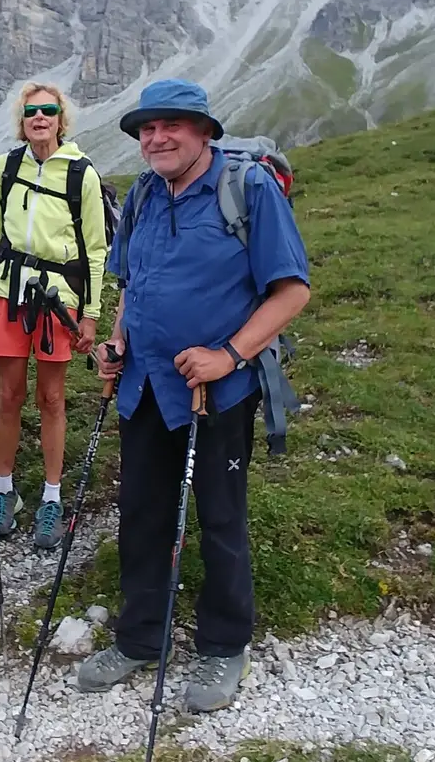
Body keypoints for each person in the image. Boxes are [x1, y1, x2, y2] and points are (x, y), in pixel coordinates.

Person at [76, 79, 311, 714]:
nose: (156, 138)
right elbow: (132, 283)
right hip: (146, 385)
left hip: (220, 389)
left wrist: (228, 355)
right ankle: (139, 639)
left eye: (170, 126)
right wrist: (118, 344)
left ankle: (224, 644)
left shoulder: (249, 190)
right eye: (146, 130)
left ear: (205, 131)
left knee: (221, 517)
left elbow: (291, 292)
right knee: (141, 514)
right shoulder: (146, 194)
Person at [0, 81, 109, 551]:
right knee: (10, 394)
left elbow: (95, 249)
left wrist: (90, 314)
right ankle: (4, 489)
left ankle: (51, 496)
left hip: (59, 300)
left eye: (48, 111)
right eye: (32, 112)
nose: (40, 118)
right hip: (9, 294)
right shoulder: (4, 168)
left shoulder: (81, 173)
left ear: (60, 119)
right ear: (22, 120)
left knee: (52, 398)